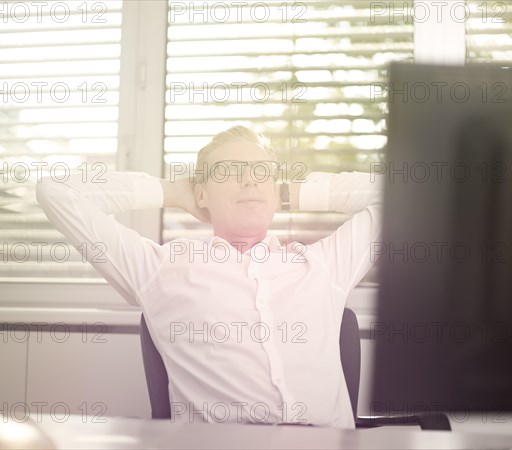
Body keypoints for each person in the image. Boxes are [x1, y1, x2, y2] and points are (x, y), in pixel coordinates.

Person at [36, 125, 383, 429]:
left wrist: (292, 193)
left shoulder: (324, 264)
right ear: (201, 193)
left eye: (261, 172)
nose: (249, 180)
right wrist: (173, 192)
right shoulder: (159, 268)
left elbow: (404, 194)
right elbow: (57, 192)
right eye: (230, 172)